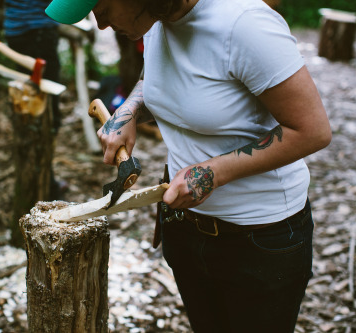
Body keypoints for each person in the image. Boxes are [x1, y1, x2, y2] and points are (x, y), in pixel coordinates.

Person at [45, 0, 332, 332]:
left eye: (103, 8)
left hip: (259, 242)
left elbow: (312, 130)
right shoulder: (155, 19)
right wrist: (130, 110)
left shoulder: (245, 25)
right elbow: (159, 77)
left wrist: (212, 173)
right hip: (183, 227)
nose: (101, 25)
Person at [4, 0, 68, 198]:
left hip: (15, 32)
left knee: (32, 102)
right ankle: (44, 185)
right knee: (45, 107)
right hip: (38, 30)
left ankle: (39, 181)